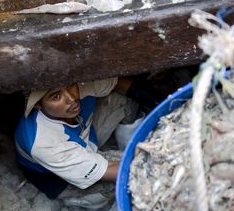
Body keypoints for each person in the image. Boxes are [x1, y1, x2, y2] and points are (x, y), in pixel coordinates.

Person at [14, 76, 159, 199]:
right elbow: (109, 170)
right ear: (38, 105)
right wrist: (160, 164)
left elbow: (119, 83)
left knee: (126, 100)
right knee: (126, 183)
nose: (71, 99)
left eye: (70, 86)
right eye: (56, 96)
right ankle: (82, 200)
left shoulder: (80, 85)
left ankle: (128, 144)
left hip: (87, 137)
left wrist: (160, 103)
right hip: (59, 177)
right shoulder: (43, 143)